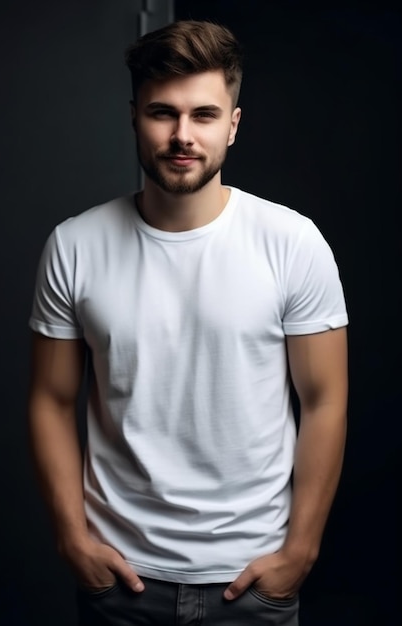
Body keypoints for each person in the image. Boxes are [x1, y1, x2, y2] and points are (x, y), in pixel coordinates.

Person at [28, 19, 348, 626]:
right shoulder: (74, 245)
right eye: (161, 113)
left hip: (252, 579)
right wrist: (73, 541)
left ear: (232, 122)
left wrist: (300, 552)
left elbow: (325, 400)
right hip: (120, 581)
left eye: (204, 115)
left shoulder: (292, 242)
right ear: (132, 117)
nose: (182, 136)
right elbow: (49, 398)